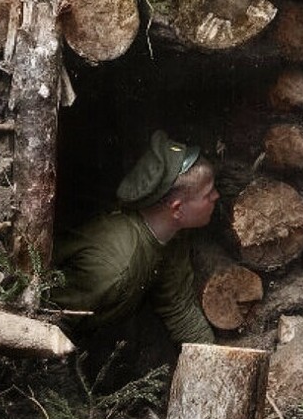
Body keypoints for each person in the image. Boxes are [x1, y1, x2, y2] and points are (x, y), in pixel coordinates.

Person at [52, 129, 219, 361]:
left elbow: (178, 307)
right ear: (177, 209)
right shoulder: (115, 265)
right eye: (208, 193)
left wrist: (215, 365)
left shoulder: (171, 236)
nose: (216, 197)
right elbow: (48, 329)